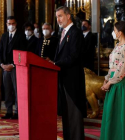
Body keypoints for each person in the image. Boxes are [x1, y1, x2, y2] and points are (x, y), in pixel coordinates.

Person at [49, 6, 87, 140]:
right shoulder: (63, 32)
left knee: (74, 114)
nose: (58, 19)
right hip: (63, 79)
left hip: (72, 80)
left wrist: (56, 64)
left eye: (60, 16)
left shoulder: (75, 32)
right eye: (57, 17)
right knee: (66, 114)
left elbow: (74, 56)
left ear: (68, 16)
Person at [100, 21, 125, 140]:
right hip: (112, 82)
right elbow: (113, 66)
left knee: (118, 113)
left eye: (114, 30)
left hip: (119, 84)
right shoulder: (117, 46)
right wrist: (106, 79)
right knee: (110, 113)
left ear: (120, 33)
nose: (113, 33)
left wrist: (110, 82)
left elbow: (122, 70)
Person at [0, 16, 26, 119]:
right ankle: (8, 111)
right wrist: (2, 64)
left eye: (12, 23)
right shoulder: (4, 35)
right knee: (7, 90)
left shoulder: (21, 36)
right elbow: (1, 51)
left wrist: (13, 65)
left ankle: (17, 111)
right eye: (9, 24)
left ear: (16, 24)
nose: (11, 25)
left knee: (17, 90)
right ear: (6, 24)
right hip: (5, 67)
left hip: (16, 67)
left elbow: (22, 51)